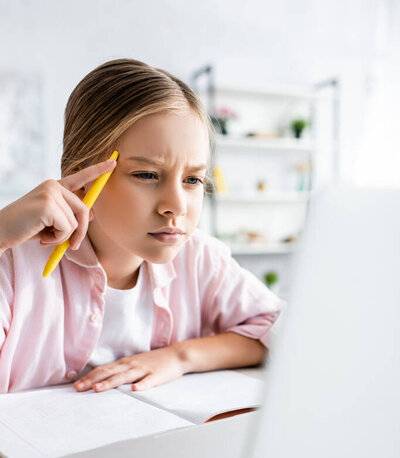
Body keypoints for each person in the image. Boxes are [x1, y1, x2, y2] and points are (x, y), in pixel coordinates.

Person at [0, 58, 284, 394]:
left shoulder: (201, 259)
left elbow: (281, 330)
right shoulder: (14, 264)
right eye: (147, 175)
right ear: (81, 180)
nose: (176, 205)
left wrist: (179, 357)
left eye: (193, 179)